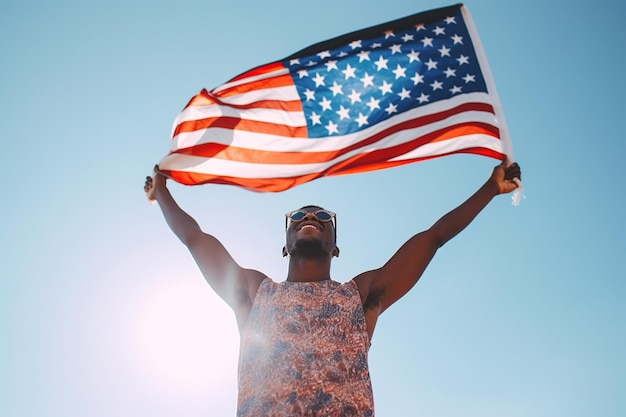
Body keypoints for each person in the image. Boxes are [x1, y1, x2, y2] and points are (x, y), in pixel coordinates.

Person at [144, 160, 521, 416]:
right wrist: (161, 190)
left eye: (323, 216)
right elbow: (194, 238)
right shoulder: (255, 292)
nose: (311, 217)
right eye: (299, 217)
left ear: (335, 246)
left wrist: (490, 188)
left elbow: (433, 238)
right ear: (285, 242)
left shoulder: (358, 296)